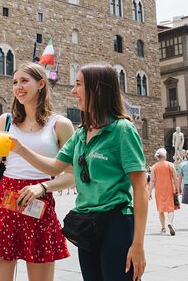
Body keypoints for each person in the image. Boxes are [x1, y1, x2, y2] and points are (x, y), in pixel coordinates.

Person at [10, 63, 147, 281]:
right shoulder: (82, 132)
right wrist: (20, 149)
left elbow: (141, 188)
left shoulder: (122, 129)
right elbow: (55, 166)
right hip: (87, 225)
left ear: (98, 89)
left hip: (116, 222)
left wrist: (138, 244)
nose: (73, 91)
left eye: (78, 85)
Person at [0, 62, 75, 281]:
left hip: (38, 202)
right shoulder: (7, 120)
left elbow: (72, 175)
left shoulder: (60, 124)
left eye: (24, 81)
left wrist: (43, 186)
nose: (18, 87)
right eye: (14, 82)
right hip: (6, 201)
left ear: (41, 84)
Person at [149, 148, 179, 236]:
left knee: (161, 209)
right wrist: (177, 188)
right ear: (165, 156)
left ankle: (163, 227)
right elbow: (175, 178)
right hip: (169, 189)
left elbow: (152, 181)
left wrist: (149, 191)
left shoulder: (154, 167)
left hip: (159, 190)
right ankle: (170, 223)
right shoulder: (170, 165)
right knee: (170, 208)